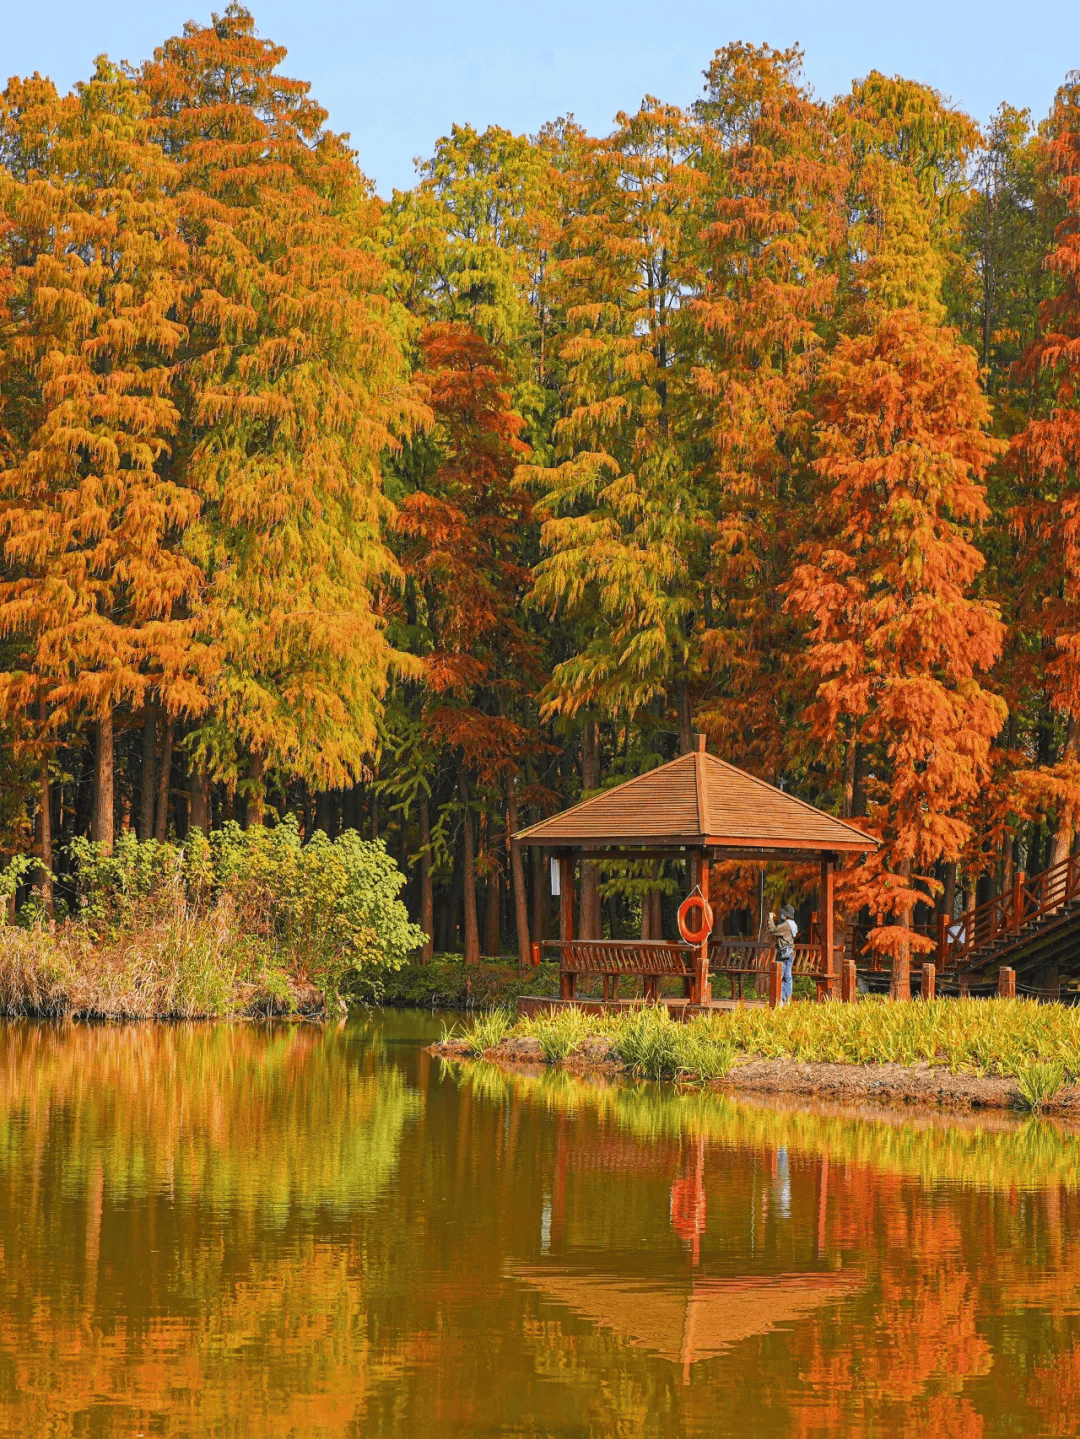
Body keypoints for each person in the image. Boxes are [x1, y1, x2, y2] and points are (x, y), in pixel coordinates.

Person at [768, 903, 798, 1005]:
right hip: (790, 953)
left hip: (783, 954)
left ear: (786, 914)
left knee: (780, 975)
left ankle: (780, 999)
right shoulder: (793, 925)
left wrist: (770, 918)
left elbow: (772, 930)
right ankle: (787, 999)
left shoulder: (786, 925)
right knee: (787, 976)